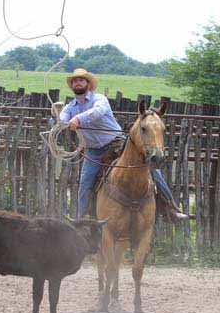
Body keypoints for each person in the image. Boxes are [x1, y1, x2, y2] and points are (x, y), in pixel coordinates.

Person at [57, 68, 188, 221]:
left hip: (117, 142)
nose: (77, 83)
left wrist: (78, 120)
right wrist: (60, 120)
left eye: (81, 80)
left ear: (88, 83)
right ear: (72, 86)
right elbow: (62, 119)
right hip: (93, 150)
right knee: (85, 182)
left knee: (151, 169)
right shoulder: (70, 108)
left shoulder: (100, 100)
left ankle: (171, 208)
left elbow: (98, 112)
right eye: (74, 81)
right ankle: (81, 219)